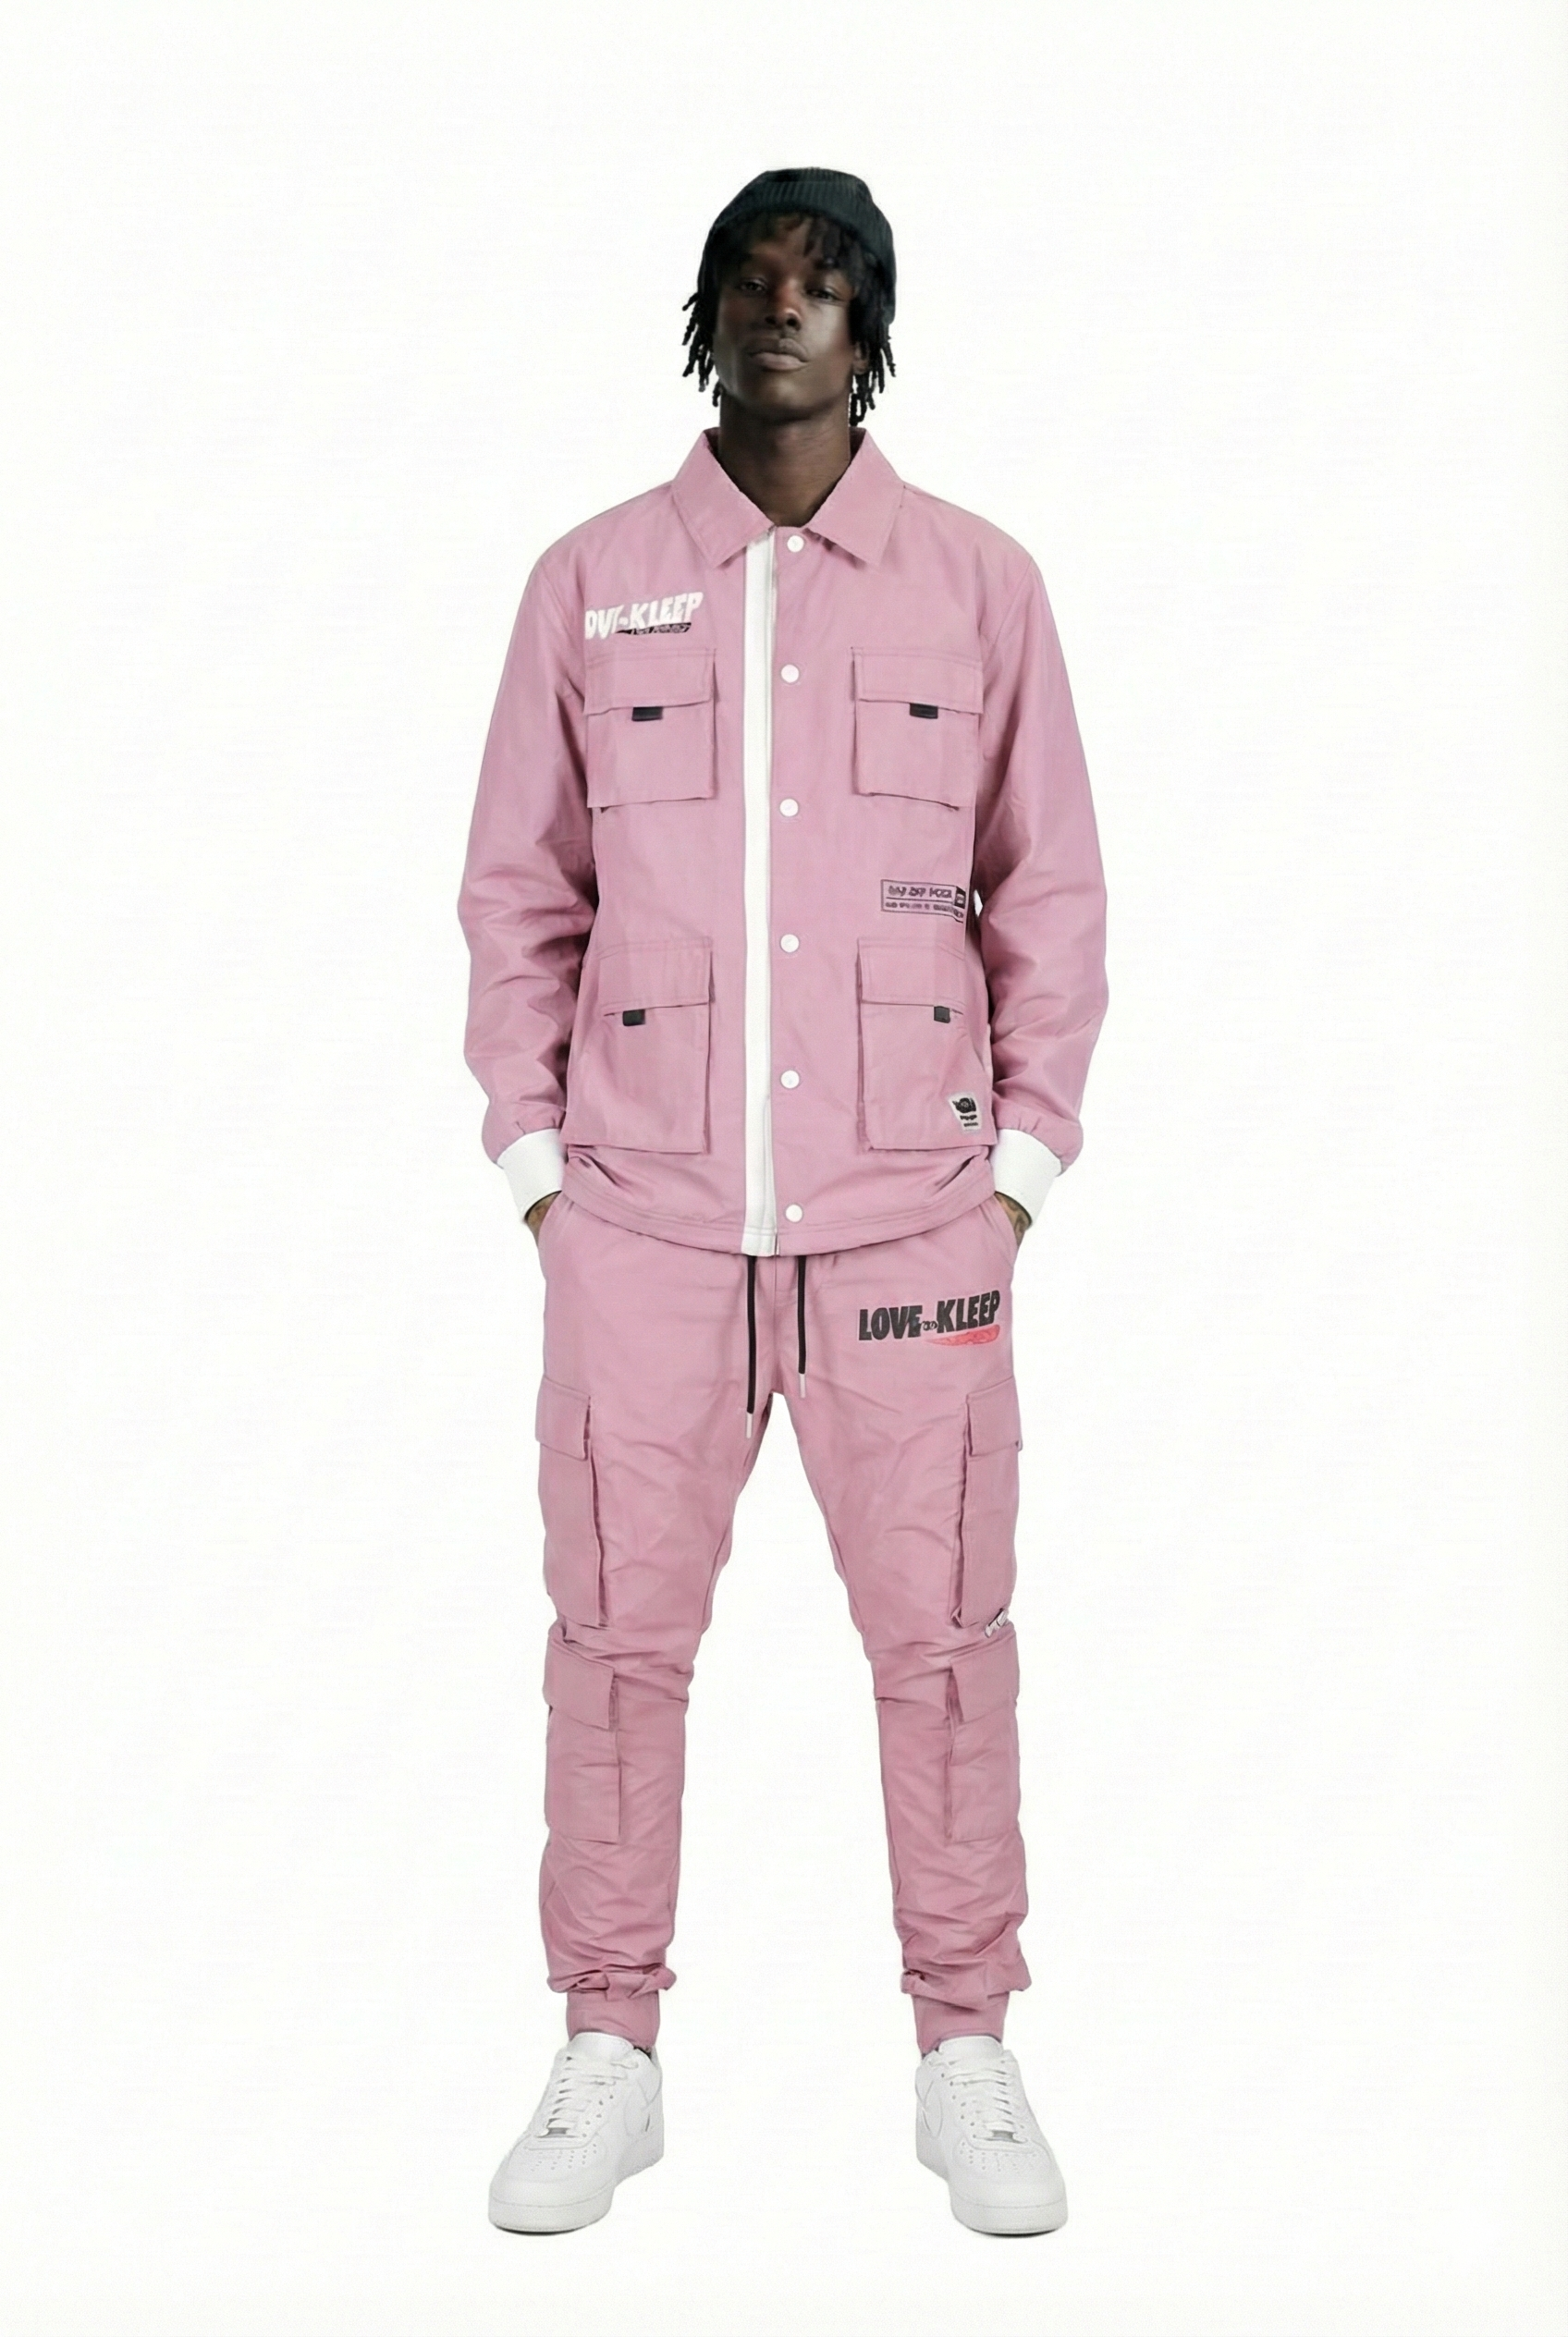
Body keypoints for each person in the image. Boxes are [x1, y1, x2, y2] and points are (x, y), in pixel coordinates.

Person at [457, 166, 1109, 2238]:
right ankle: (608, 2045)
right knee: (611, 1641)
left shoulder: (980, 587)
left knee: (946, 1641)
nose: (780, 317)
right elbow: (519, 889)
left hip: (913, 1228)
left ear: (870, 329)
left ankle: (964, 2041)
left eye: (820, 289)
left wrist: (1015, 1174)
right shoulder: (590, 583)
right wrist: (540, 1172)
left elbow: (1051, 889)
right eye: (748, 284)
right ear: (704, 317)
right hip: (640, 1231)